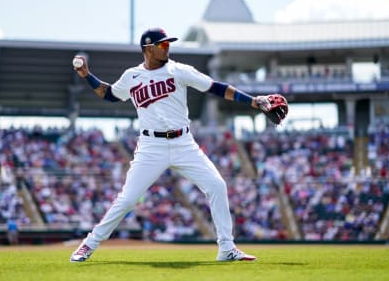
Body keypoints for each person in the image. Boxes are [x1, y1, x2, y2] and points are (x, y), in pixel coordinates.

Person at [70, 27, 274, 263]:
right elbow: (109, 94)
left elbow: (216, 87)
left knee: (217, 185)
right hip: (150, 146)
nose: (167, 47)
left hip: (183, 143)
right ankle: (89, 244)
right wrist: (86, 75)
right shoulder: (131, 76)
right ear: (148, 49)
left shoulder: (179, 70)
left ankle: (227, 248)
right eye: (162, 44)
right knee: (127, 199)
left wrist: (253, 101)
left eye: (168, 44)